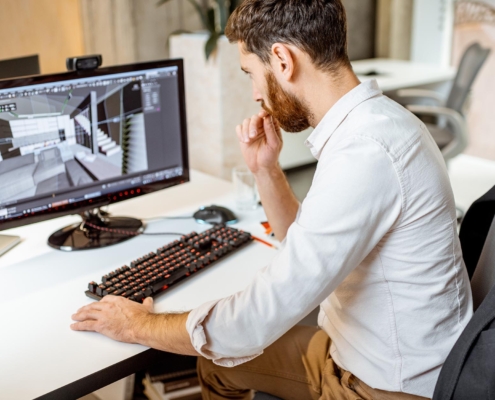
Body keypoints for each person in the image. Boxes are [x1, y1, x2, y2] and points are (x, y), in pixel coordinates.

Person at [71, 1, 473, 399]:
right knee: (214, 362)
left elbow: (250, 323)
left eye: (250, 73)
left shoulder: (365, 154)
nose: (255, 94)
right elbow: (304, 243)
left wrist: (135, 325)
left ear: (282, 60)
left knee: (215, 355)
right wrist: (265, 169)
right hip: (371, 352)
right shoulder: (377, 123)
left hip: (381, 386)